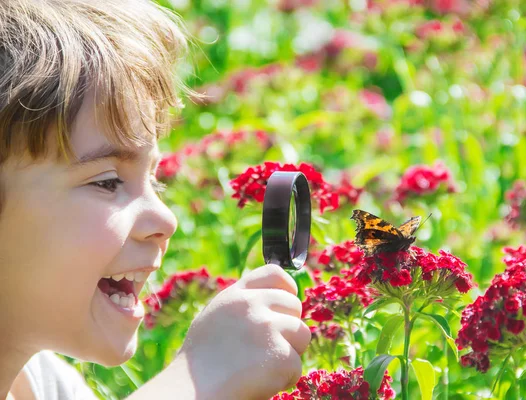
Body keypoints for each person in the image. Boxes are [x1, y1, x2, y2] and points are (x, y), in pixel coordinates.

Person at [0, 0, 312, 399]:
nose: (166, 219)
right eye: (108, 182)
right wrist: (195, 381)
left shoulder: (44, 385)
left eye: (155, 179)